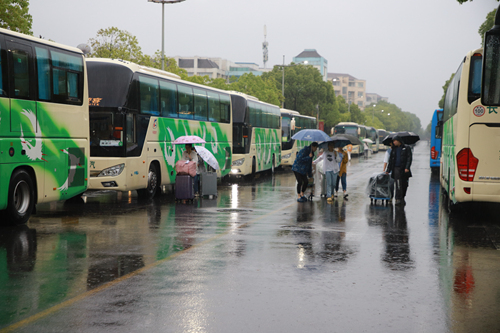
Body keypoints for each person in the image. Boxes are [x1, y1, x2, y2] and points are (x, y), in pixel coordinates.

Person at [385, 136, 412, 206]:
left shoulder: (406, 148)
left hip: (404, 169)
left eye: (395, 141)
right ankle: (398, 198)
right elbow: (390, 161)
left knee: (404, 184)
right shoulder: (393, 149)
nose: (394, 142)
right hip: (396, 168)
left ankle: (402, 197)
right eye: (393, 141)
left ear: (399, 141)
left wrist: (407, 167)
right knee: (398, 183)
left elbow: (409, 159)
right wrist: (388, 170)